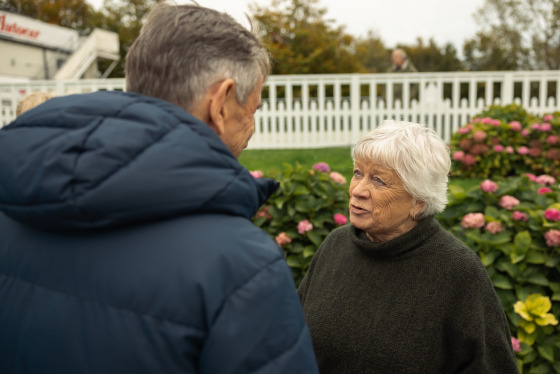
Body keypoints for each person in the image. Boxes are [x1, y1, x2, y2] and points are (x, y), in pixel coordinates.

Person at [0, 3, 319, 374]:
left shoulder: (14, 203)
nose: (252, 127)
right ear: (220, 102)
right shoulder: (240, 267)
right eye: (254, 109)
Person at [298, 120, 519, 373]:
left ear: (419, 202)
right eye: (358, 173)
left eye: (379, 180)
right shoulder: (335, 245)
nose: (358, 190)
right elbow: (293, 336)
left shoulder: (457, 270)